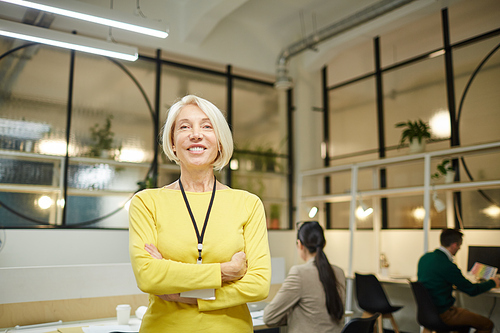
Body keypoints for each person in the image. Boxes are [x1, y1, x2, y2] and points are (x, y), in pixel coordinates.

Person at [128, 94, 272, 332]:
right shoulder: (146, 202)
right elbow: (148, 276)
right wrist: (225, 271)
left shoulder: (248, 204)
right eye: (184, 127)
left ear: (220, 143)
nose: (196, 134)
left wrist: (183, 294)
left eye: (207, 126)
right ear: (173, 143)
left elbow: (258, 285)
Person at [263, 221, 346, 333]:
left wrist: (293, 314)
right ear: (324, 244)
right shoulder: (339, 272)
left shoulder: (299, 273)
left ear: (300, 244)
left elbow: (269, 316)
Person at [417, 228, 500, 333]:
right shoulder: (448, 265)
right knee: (487, 324)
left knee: (464, 325)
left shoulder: (425, 258)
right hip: (445, 314)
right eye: (460, 245)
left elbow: (434, 281)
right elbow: (472, 290)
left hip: (427, 313)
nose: (459, 248)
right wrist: (493, 282)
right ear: (454, 245)